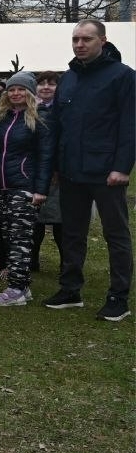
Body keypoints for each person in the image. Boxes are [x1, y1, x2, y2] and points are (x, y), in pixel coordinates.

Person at [43, 19, 134, 321]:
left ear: (103, 41)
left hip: (107, 172)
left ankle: (118, 297)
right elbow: (57, 126)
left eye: (87, 39)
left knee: (115, 234)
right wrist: (56, 165)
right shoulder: (68, 78)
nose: (79, 44)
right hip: (71, 171)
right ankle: (71, 290)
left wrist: (121, 167)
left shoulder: (122, 77)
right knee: (72, 233)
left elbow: (130, 125)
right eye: (75, 39)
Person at [0, 71, 53, 307]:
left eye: (21, 89)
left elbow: (46, 157)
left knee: (20, 241)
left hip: (24, 187)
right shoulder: (2, 117)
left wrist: (40, 189)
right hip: (0, 187)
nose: (15, 93)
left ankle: (15, 290)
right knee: (8, 238)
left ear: (30, 92)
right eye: (12, 89)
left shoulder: (39, 117)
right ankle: (22, 285)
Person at [30, 70, 61, 272]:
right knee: (34, 222)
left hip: (58, 174)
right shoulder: (29, 110)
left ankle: (66, 264)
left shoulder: (63, 111)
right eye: (42, 84)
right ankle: (32, 261)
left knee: (60, 221)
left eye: (51, 84)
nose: (46, 87)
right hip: (32, 171)